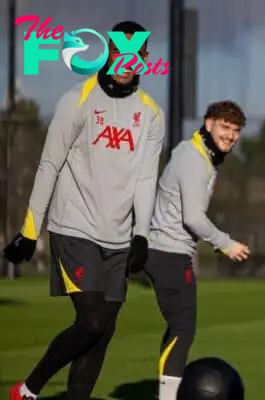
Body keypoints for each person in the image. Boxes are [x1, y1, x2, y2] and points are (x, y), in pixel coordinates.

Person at [3, 20, 165, 400]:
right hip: (73, 227)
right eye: (119, 53)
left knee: (103, 331)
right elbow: (49, 165)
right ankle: (28, 389)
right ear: (108, 53)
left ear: (144, 59)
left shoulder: (151, 114)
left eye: (135, 55)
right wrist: (30, 230)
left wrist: (142, 234)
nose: (126, 62)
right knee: (91, 321)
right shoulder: (76, 99)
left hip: (118, 238)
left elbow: (145, 180)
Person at [143, 100, 251, 400]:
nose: (230, 135)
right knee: (183, 329)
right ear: (208, 124)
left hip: (168, 250)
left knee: (178, 327)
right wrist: (225, 243)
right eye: (224, 127)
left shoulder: (202, 155)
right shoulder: (194, 158)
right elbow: (192, 217)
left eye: (236, 130)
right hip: (168, 253)